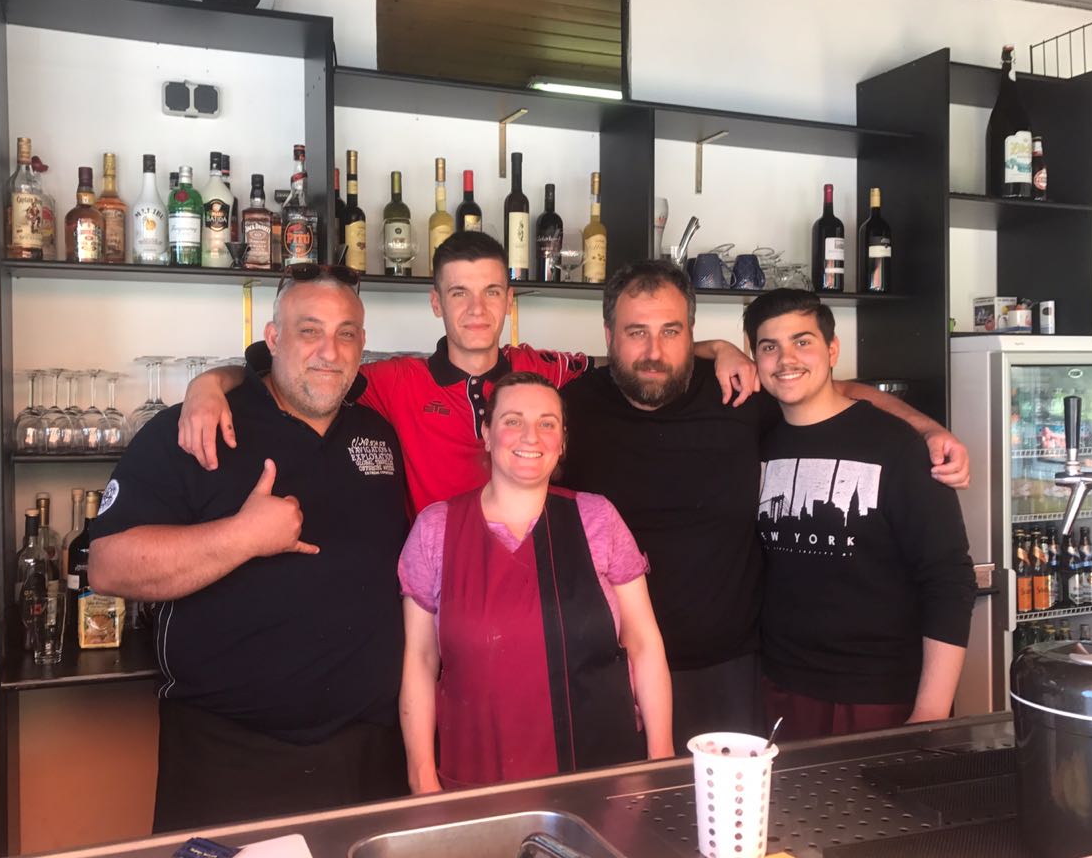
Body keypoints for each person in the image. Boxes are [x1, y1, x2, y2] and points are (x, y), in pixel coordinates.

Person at [558, 261, 971, 746]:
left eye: (671, 331)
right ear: (609, 335)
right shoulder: (572, 408)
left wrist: (927, 429)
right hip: (613, 667)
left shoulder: (739, 394)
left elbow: (835, 393)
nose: (654, 351)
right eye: (636, 332)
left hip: (734, 673)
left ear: (690, 332)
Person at [87, 265, 409, 832]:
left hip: (369, 752)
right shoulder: (196, 427)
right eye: (309, 331)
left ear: (363, 343)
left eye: (346, 333)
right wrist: (242, 536)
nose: (329, 351)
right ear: (273, 338)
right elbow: (109, 566)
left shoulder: (377, 434)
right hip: (229, 758)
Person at [176, 231, 757, 516]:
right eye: (459, 293)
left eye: (490, 292)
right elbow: (296, 372)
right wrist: (209, 383)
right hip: (433, 588)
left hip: (534, 583)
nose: (477, 310)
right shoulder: (393, 382)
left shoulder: (544, 369)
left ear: (509, 299)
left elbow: (633, 356)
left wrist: (714, 347)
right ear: (436, 302)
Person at [398, 372, 672, 791]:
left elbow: (643, 643)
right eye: (513, 421)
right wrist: (421, 778)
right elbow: (420, 660)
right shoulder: (437, 528)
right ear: (487, 434)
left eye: (547, 423)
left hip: (602, 772)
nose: (531, 436)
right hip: (478, 776)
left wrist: (662, 759)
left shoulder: (597, 518)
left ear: (562, 441)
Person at [742, 288, 976, 740]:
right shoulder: (758, 437)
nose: (786, 359)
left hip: (882, 692)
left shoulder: (898, 446)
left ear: (832, 350)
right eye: (769, 347)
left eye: (802, 341)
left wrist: (931, 709)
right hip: (783, 686)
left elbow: (949, 578)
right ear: (756, 360)